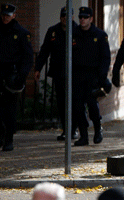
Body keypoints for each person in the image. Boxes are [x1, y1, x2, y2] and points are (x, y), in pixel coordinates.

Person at [34, 7, 79, 141]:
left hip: (74, 73)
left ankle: (74, 129)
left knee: (74, 102)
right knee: (61, 102)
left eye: (68, 16)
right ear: (60, 17)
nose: (65, 18)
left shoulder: (77, 31)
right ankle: (66, 129)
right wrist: (38, 68)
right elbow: (44, 51)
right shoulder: (53, 31)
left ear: (72, 17)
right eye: (63, 16)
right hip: (59, 72)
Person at [72, 7, 111, 146]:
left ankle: (97, 129)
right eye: (80, 17)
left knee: (92, 105)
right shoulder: (73, 34)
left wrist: (102, 76)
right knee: (77, 106)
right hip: (77, 75)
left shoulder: (100, 35)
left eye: (85, 17)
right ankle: (83, 135)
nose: (82, 20)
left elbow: (105, 57)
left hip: (92, 75)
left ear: (91, 19)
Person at [0, 3, 34, 151]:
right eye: (3, 14)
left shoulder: (21, 33)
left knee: (9, 110)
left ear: (14, 15)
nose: (5, 17)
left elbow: (27, 57)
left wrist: (22, 75)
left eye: (8, 15)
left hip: (12, 76)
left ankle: (9, 139)